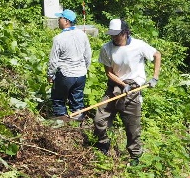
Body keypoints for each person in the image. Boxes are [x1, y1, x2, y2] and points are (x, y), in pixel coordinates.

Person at [93, 19, 161, 163]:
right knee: (99, 118)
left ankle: (135, 156)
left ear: (125, 32)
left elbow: (157, 55)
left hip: (134, 88)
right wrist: (122, 84)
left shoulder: (138, 45)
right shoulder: (106, 48)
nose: (114, 38)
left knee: (132, 126)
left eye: (117, 34)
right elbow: (109, 72)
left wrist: (154, 77)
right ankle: (103, 143)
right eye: (112, 35)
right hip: (114, 86)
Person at [47, 9, 92, 119]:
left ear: (66, 21)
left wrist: (50, 75)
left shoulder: (59, 39)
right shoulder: (82, 35)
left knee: (58, 99)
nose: (58, 20)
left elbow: (53, 60)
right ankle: (78, 123)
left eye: (60, 18)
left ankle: (61, 122)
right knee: (77, 100)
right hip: (81, 74)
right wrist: (84, 68)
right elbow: (88, 55)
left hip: (66, 74)